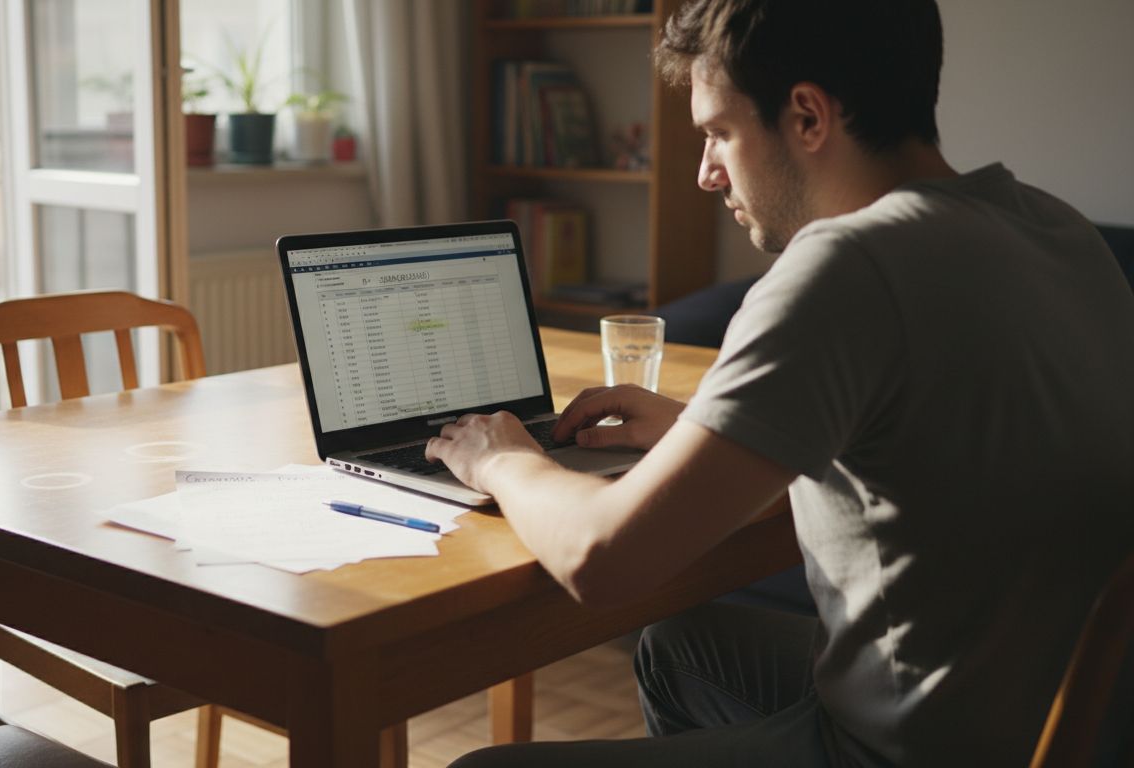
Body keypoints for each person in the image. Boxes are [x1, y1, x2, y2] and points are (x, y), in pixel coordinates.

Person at [428, 0, 1134, 765]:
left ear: (806, 116)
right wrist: (703, 428)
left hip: (903, 749)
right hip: (1054, 721)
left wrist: (502, 458)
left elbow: (601, 559)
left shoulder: (844, 268)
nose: (706, 173)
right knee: (683, 650)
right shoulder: (1056, 228)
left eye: (718, 133)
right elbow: (943, 440)